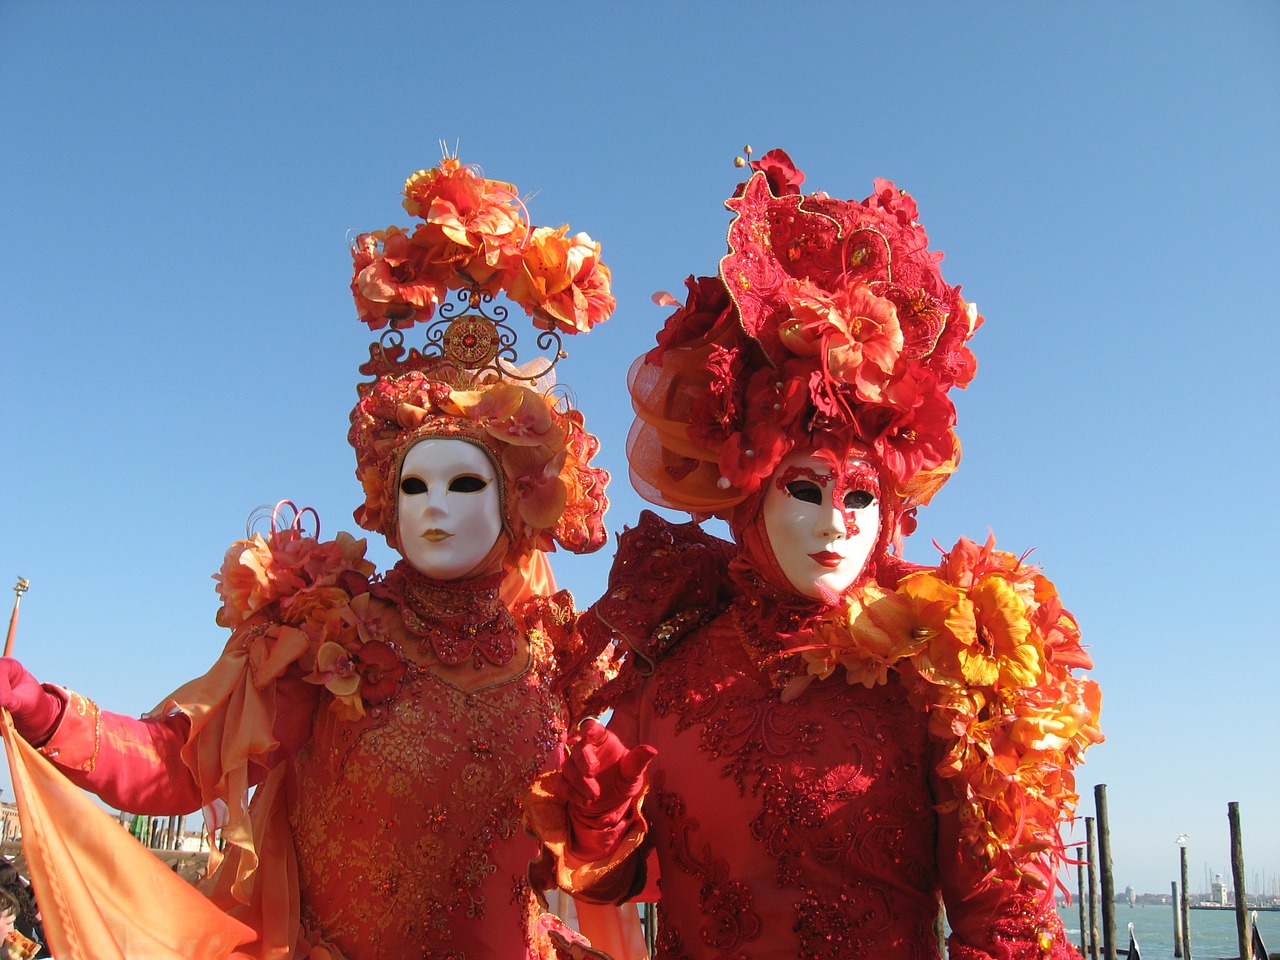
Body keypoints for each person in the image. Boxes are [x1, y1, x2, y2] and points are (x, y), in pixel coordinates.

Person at [0, 157, 625, 959]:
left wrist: (609, 827)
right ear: (385, 500)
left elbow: (602, 871)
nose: (434, 505)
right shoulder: (331, 636)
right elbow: (183, 766)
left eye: (465, 482)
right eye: (415, 484)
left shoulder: (555, 660)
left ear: (520, 502)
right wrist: (48, 714)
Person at [526, 149, 1104, 958]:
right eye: (806, 490)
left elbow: (1004, 925)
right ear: (750, 492)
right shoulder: (672, 658)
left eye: (862, 496)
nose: (838, 523)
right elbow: (620, 881)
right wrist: (598, 820)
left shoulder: (944, 661)